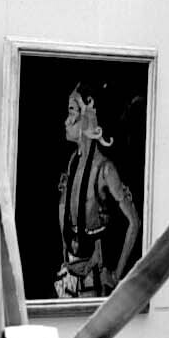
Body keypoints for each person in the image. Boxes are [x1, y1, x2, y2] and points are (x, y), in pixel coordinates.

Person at [55, 88, 139, 298]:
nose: (66, 121)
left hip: (93, 275)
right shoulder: (73, 162)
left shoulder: (105, 169)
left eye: (71, 111)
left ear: (89, 118)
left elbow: (134, 222)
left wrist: (117, 275)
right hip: (69, 271)